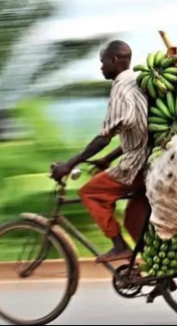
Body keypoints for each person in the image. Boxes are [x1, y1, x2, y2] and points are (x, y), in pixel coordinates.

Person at [50, 40, 151, 263]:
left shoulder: (120, 90)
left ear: (114, 60)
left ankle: (119, 246)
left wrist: (69, 164)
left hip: (137, 165)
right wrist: (107, 160)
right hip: (151, 160)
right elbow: (136, 131)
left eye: (102, 61)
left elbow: (103, 138)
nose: (101, 67)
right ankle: (156, 265)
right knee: (133, 221)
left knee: (90, 193)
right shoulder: (137, 81)